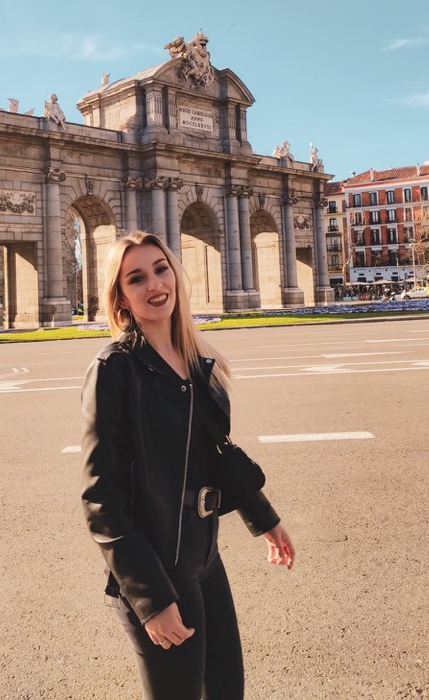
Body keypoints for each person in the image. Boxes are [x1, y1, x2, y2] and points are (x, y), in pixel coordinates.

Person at [80, 230, 294, 700]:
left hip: (203, 561)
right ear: (120, 297)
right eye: (136, 278)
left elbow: (216, 452)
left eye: (161, 269)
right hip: (155, 571)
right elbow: (102, 498)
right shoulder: (114, 369)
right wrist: (151, 600)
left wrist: (264, 517)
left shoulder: (197, 359)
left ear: (176, 273)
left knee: (226, 693)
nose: (155, 284)